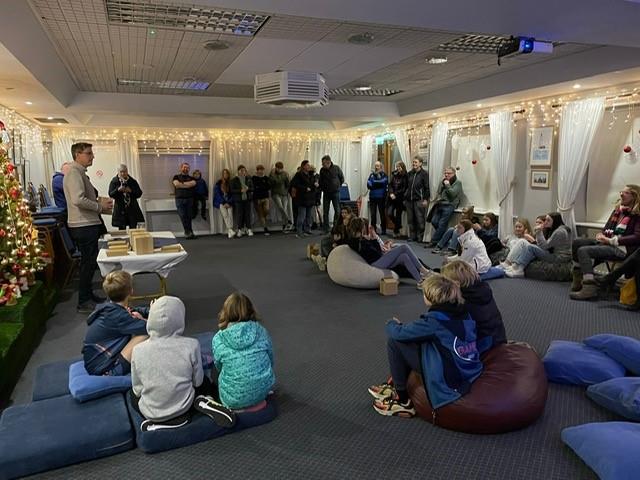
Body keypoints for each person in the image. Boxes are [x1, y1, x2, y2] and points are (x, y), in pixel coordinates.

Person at [368, 274, 482, 417]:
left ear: (431, 297)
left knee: (395, 342)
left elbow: (398, 333)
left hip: (450, 376)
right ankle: (392, 384)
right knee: (419, 340)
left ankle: (403, 400)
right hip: (469, 367)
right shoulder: (463, 312)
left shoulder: (434, 322)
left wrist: (392, 323)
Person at [131, 296, 235, 431]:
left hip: (151, 412)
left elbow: (137, 389)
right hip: (184, 407)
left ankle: (160, 421)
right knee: (206, 382)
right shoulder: (191, 345)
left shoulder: (137, 350)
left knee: (131, 396)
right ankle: (205, 400)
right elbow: (197, 382)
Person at [63, 142, 113, 313]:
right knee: (87, 264)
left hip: (86, 223)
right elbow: (78, 199)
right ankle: (83, 301)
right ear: (78, 154)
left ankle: (88, 296)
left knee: (90, 263)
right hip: (83, 224)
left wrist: (99, 202)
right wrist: (100, 207)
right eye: (89, 153)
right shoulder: (74, 173)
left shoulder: (78, 173)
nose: (92, 156)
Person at [571, 185, 640, 299]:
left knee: (584, 251)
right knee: (578, 242)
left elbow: (637, 237)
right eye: (621, 191)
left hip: (621, 248)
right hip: (608, 243)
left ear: (634, 196)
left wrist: (611, 240)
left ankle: (589, 287)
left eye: (626, 193)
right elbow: (607, 227)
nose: (621, 194)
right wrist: (601, 234)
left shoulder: (637, 214)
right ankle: (578, 280)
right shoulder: (618, 210)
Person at [213, 292, 275, 410]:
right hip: (263, 391)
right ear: (251, 310)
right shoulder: (261, 331)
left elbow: (219, 367)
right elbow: (270, 359)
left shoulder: (218, 338)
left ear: (225, 312)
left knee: (214, 370)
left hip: (233, 400)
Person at [82, 271, 149, 376]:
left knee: (137, 328)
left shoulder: (109, 307)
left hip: (95, 362)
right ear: (131, 291)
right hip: (104, 370)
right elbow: (151, 327)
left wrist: (152, 310)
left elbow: (133, 310)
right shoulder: (118, 316)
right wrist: (142, 319)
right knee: (144, 334)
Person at [442, 260, 507, 353]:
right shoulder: (483, 290)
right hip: (498, 339)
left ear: (456, 284)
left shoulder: (462, 303)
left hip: (483, 348)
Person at [347, 217, 429, 286]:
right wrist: (372, 240)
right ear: (360, 227)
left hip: (380, 258)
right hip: (376, 262)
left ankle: (419, 281)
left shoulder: (363, 239)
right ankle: (423, 270)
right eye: (363, 226)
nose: (364, 228)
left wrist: (372, 239)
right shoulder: (355, 241)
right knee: (404, 247)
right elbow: (375, 252)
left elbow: (377, 250)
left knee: (404, 257)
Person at [503, 212, 571, 279]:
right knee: (521, 242)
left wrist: (538, 231)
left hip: (558, 257)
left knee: (529, 247)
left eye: (548, 220)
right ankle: (513, 265)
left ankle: (518, 269)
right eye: (545, 220)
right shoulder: (556, 229)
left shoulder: (559, 232)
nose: (545, 222)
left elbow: (544, 246)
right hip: (552, 252)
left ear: (555, 221)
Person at [428, 166, 463, 247]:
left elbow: (453, 194)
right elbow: (440, 192)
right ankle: (444, 237)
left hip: (450, 205)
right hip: (441, 204)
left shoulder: (457, 182)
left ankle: (434, 241)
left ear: (454, 173)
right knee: (434, 221)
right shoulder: (443, 181)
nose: (446, 175)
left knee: (442, 224)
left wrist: (447, 185)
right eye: (445, 173)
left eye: (449, 173)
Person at [315, 206, 354, 271]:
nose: (343, 214)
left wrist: (337, 242)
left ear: (349, 214)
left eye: (345, 213)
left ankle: (328, 261)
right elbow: (334, 229)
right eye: (342, 213)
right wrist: (335, 235)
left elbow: (348, 238)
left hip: (344, 241)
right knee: (324, 240)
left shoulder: (352, 222)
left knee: (330, 243)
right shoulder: (340, 219)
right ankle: (326, 259)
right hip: (338, 237)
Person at [108, 164, 144, 230]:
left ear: (127, 171)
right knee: (122, 231)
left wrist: (130, 191)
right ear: (118, 172)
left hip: (132, 209)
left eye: (124, 171)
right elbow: (110, 194)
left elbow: (139, 193)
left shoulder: (133, 181)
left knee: (133, 229)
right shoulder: (114, 181)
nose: (123, 173)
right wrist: (118, 189)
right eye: (121, 172)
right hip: (120, 210)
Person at [404, 156, 430, 242]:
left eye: (416, 162)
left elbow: (426, 188)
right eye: (413, 162)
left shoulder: (424, 174)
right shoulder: (410, 173)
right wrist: (405, 196)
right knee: (410, 219)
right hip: (409, 200)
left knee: (420, 219)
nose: (414, 164)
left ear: (420, 163)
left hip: (419, 200)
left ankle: (420, 236)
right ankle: (412, 236)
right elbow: (406, 186)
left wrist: (425, 199)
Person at [291, 160, 317, 237]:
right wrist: (305, 188)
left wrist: (315, 185)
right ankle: (299, 231)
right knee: (301, 216)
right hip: (302, 198)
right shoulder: (298, 175)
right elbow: (295, 184)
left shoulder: (311, 175)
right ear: (303, 166)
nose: (309, 166)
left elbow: (312, 184)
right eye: (307, 165)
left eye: (309, 165)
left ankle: (307, 230)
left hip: (310, 198)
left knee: (309, 216)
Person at [319, 155, 344, 233]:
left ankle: (335, 227)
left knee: (337, 210)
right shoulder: (322, 170)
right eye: (322, 163)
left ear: (328, 162)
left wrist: (337, 186)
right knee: (325, 212)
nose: (322, 165)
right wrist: (322, 188)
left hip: (335, 193)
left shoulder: (336, 168)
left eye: (323, 163)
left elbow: (342, 178)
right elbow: (320, 181)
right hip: (326, 193)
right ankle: (326, 229)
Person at [172, 163, 196, 239]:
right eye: (184, 167)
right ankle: (188, 232)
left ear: (189, 169)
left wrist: (181, 184)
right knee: (182, 216)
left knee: (189, 217)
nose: (186, 169)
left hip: (189, 199)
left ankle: (189, 232)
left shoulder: (192, 178)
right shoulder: (176, 176)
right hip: (179, 200)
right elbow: (177, 185)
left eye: (187, 168)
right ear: (181, 168)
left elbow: (192, 184)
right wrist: (186, 185)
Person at [230, 165, 254, 237]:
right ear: (238, 171)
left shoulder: (249, 179)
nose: (243, 172)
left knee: (247, 214)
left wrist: (248, 189)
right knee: (239, 215)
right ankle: (240, 230)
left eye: (244, 170)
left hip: (247, 199)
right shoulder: (234, 180)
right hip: (238, 200)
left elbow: (252, 188)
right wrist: (240, 190)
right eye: (241, 170)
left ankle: (249, 229)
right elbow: (232, 190)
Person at [269, 161, 293, 232]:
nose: (279, 170)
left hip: (284, 194)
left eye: (280, 168)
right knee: (280, 207)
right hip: (275, 194)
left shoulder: (285, 174)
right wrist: (272, 175)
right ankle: (289, 221)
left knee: (284, 209)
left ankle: (285, 226)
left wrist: (286, 191)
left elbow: (288, 184)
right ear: (275, 168)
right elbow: (271, 184)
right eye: (278, 168)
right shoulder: (272, 174)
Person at [367, 161, 388, 235]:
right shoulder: (371, 175)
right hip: (372, 197)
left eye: (378, 166)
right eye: (375, 166)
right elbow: (368, 184)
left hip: (381, 197)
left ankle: (384, 230)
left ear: (381, 167)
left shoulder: (384, 174)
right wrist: (376, 183)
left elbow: (383, 182)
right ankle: (373, 230)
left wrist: (374, 183)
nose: (376, 167)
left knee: (382, 214)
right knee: (373, 215)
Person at [387, 161, 408, 238]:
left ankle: (396, 231)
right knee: (389, 213)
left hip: (400, 198)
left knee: (398, 215)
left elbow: (404, 188)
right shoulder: (394, 174)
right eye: (397, 166)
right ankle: (398, 225)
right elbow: (390, 185)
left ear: (403, 167)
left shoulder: (406, 176)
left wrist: (395, 194)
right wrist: (391, 193)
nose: (398, 168)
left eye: (399, 167)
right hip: (392, 198)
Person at [213, 168, 234, 238]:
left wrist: (229, 202)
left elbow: (233, 194)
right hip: (221, 202)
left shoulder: (231, 183)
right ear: (222, 174)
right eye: (224, 173)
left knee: (230, 215)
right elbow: (217, 194)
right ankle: (230, 230)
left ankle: (230, 231)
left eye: (227, 173)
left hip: (229, 202)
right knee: (225, 215)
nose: (225, 175)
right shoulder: (218, 183)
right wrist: (224, 202)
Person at [252, 164, 271, 235]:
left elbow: (268, 187)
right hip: (257, 198)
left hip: (266, 198)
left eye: (262, 170)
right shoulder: (254, 178)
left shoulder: (266, 178)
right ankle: (265, 228)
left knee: (267, 210)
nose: (261, 171)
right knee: (260, 213)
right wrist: (262, 187)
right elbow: (254, 187)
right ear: (257, 171)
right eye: (259, 170)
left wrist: (260, 187)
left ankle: (263, 220)